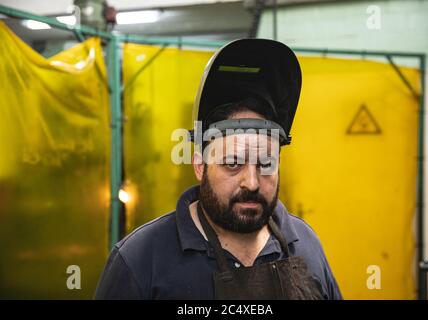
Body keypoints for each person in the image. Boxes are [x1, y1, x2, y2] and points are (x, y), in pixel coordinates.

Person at [95, 39, 342, 300]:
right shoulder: (141, 260)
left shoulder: (304, 244)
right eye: (233, 164)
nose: (252, 182)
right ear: (200, 166)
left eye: (266, 164)